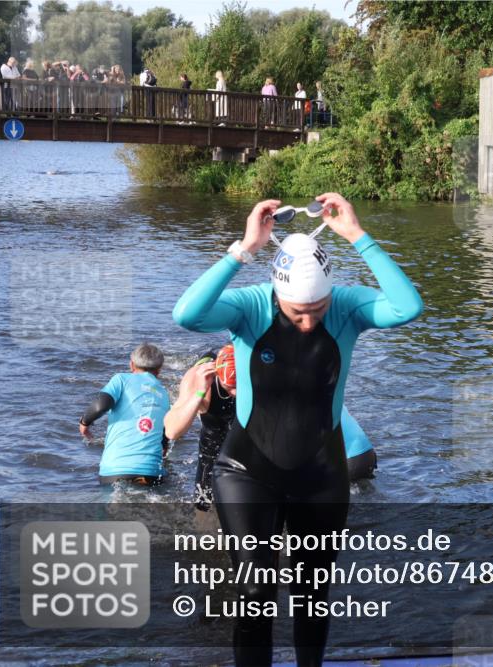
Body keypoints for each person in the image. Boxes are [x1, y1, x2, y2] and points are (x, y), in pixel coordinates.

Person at [172, 194, 422, 666]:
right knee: (255, 589)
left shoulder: (347, 307)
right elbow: (186, 314)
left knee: (313, 592)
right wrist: (244, 249)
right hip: (246, 471)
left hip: (320, 475)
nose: (308, 322)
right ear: (276, 294)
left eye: (318, 309)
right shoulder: (249, 308)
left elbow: (408, 307)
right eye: (295, 312)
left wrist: (357, 236)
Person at [165, 344, 379, 512]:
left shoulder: (267, 373)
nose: (238, 395)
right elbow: (172, 431)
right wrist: (199, 396)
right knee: (204, 502)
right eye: (231, 389)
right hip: (215, 436)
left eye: (244, 388)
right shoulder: (199, 379)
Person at [79, 343, 172, 486]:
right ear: (159, 370)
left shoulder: (121, 379)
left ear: (132, 364)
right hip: (152, 471)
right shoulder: (164, 394)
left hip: (115, 470)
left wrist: (85, 422)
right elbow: (165, 436)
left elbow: (101, 405)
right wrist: (164, 445)